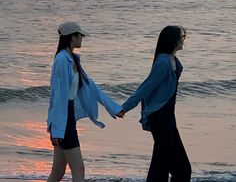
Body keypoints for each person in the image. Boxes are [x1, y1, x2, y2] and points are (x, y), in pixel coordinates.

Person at [47, 21, 122, 182]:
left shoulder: (72, 59)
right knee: (78, 170)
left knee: (58, 172)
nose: (82, 38)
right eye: (80, 36)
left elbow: (91, 87)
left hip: (67, 117)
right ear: (72, 37)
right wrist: (57, 129)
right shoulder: (62, 60)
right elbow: (58, 97)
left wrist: (114, 108)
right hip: (64, 120)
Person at [117, 25, 192, 182]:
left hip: (168, 117)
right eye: (181, 37)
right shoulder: (163, 63)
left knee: (160, 167)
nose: (183, 40)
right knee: (182, 169)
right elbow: (145, 89)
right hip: (160, 118)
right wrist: (125, 108)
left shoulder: (173, 61)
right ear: (173, 40)